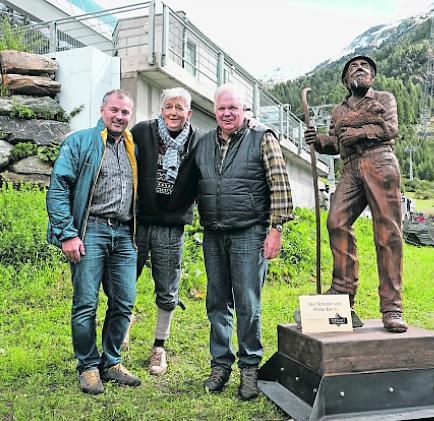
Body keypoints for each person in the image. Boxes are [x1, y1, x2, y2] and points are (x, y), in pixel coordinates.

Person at [193, 84, 293, 401]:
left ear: (244, 109)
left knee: (248, 304)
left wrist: (275, 229)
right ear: (214, 109)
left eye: (233, 107)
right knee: (217, 302)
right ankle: (220, 365)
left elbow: (279, 184)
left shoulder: (262, 137)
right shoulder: (205, 142)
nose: (227, 113)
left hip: (250, 232)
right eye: (222, 108)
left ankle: (249, 368)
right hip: (213, 232)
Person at [46, 89, 141, 395]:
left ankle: (111, 362)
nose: (119, 117)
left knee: (124, 302)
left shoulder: (131, 146)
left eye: (125, 112)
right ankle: (88, 366)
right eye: (114, 110)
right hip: (90, 232)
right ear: (102, 109)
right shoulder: (80, 141)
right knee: (86, 303)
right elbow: (59, 188)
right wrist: (68, 233)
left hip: (124, 234)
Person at [304, 54, 407, 333]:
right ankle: (342, 293)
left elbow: (391, 128)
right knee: (336, 221)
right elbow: (336, 143)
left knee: (388, 233)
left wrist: (360, 133)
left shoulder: (384, 99)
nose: (360, 69)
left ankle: (392, 306)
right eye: (354, 67)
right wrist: (319, 141)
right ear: (346, 80)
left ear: (372, 76)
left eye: (365, 67)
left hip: (379, 161)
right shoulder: (338, 111)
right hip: (351, 169)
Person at [129, 87, 204, 376]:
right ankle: (121, 331)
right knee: (124, 281)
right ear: (162, 110)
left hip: (172, 225)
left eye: (180, 107)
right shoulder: (142, 132)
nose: (174, 112)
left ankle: (159, 347)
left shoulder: (198, 140)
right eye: (169, 106)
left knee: (167, 288)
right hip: (138, 221)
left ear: (189, 112)